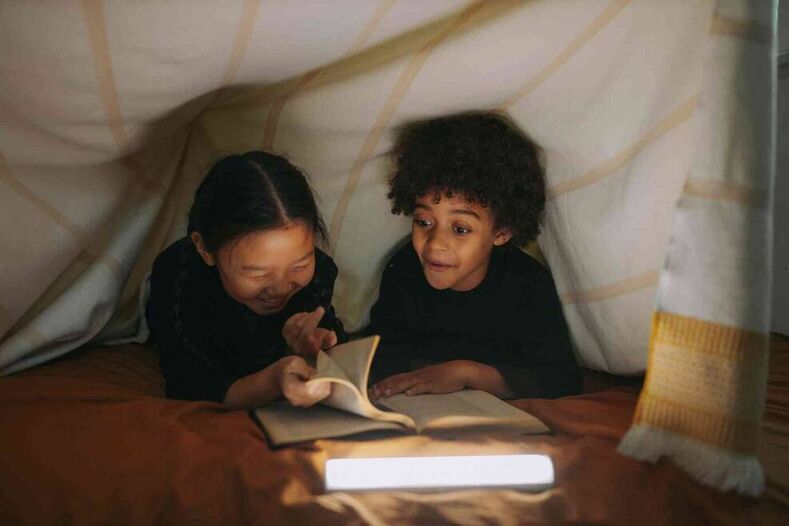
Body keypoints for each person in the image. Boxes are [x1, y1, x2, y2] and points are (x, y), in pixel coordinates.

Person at [366, 111, 581, 400]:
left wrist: (466, 373)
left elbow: (561, 379)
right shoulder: (403, 271)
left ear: (502, 232)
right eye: (424, 222)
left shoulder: (527, 285)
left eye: (460, 229)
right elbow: (381, 356)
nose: (435, 244)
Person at [146, 151, 347, 409]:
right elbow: (192, 385)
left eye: (300, 265)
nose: (281, 287)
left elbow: (332, 337)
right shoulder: (179, 276)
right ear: (205, 249)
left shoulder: (319, 274)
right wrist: (273, 380)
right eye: (257, 273)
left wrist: (319, 346)